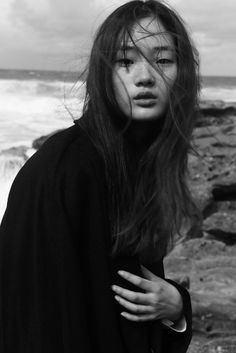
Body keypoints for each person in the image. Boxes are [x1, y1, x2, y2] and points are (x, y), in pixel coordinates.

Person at [0, 1, 199, 352]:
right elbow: (37, 320)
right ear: (103, 73)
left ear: (182, 74)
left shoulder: (139, 159)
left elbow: (130, 297)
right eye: (125, 61)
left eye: (163, 60)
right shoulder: (67, 169)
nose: (145, 76)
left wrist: (177, 308)